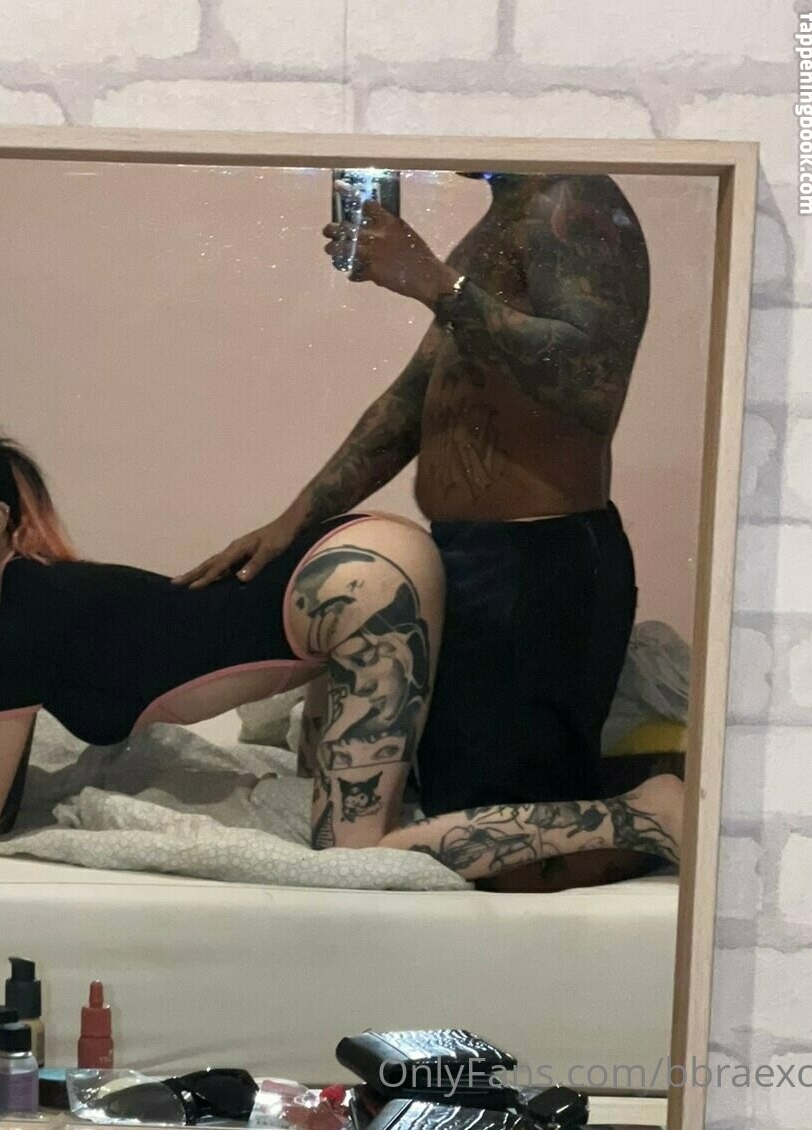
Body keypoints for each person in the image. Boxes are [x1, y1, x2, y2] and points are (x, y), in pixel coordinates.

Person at [176, 172, 683, 889]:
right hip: (476, 558)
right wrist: (293, 520)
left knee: (494, 849)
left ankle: (656, 811)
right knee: (457, 809)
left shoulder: (571, 198)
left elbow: (591, 383)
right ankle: (642, 790)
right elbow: (414, 399)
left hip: (534, 561)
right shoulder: (498, 220)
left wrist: (436, 283)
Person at [0, 428, 681, 878]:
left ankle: (648, 813)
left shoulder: (23, 619)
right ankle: (638, 791)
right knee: (350, 800)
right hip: (352, 570)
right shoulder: (38, 600)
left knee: (352, 851)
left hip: (358, 582)